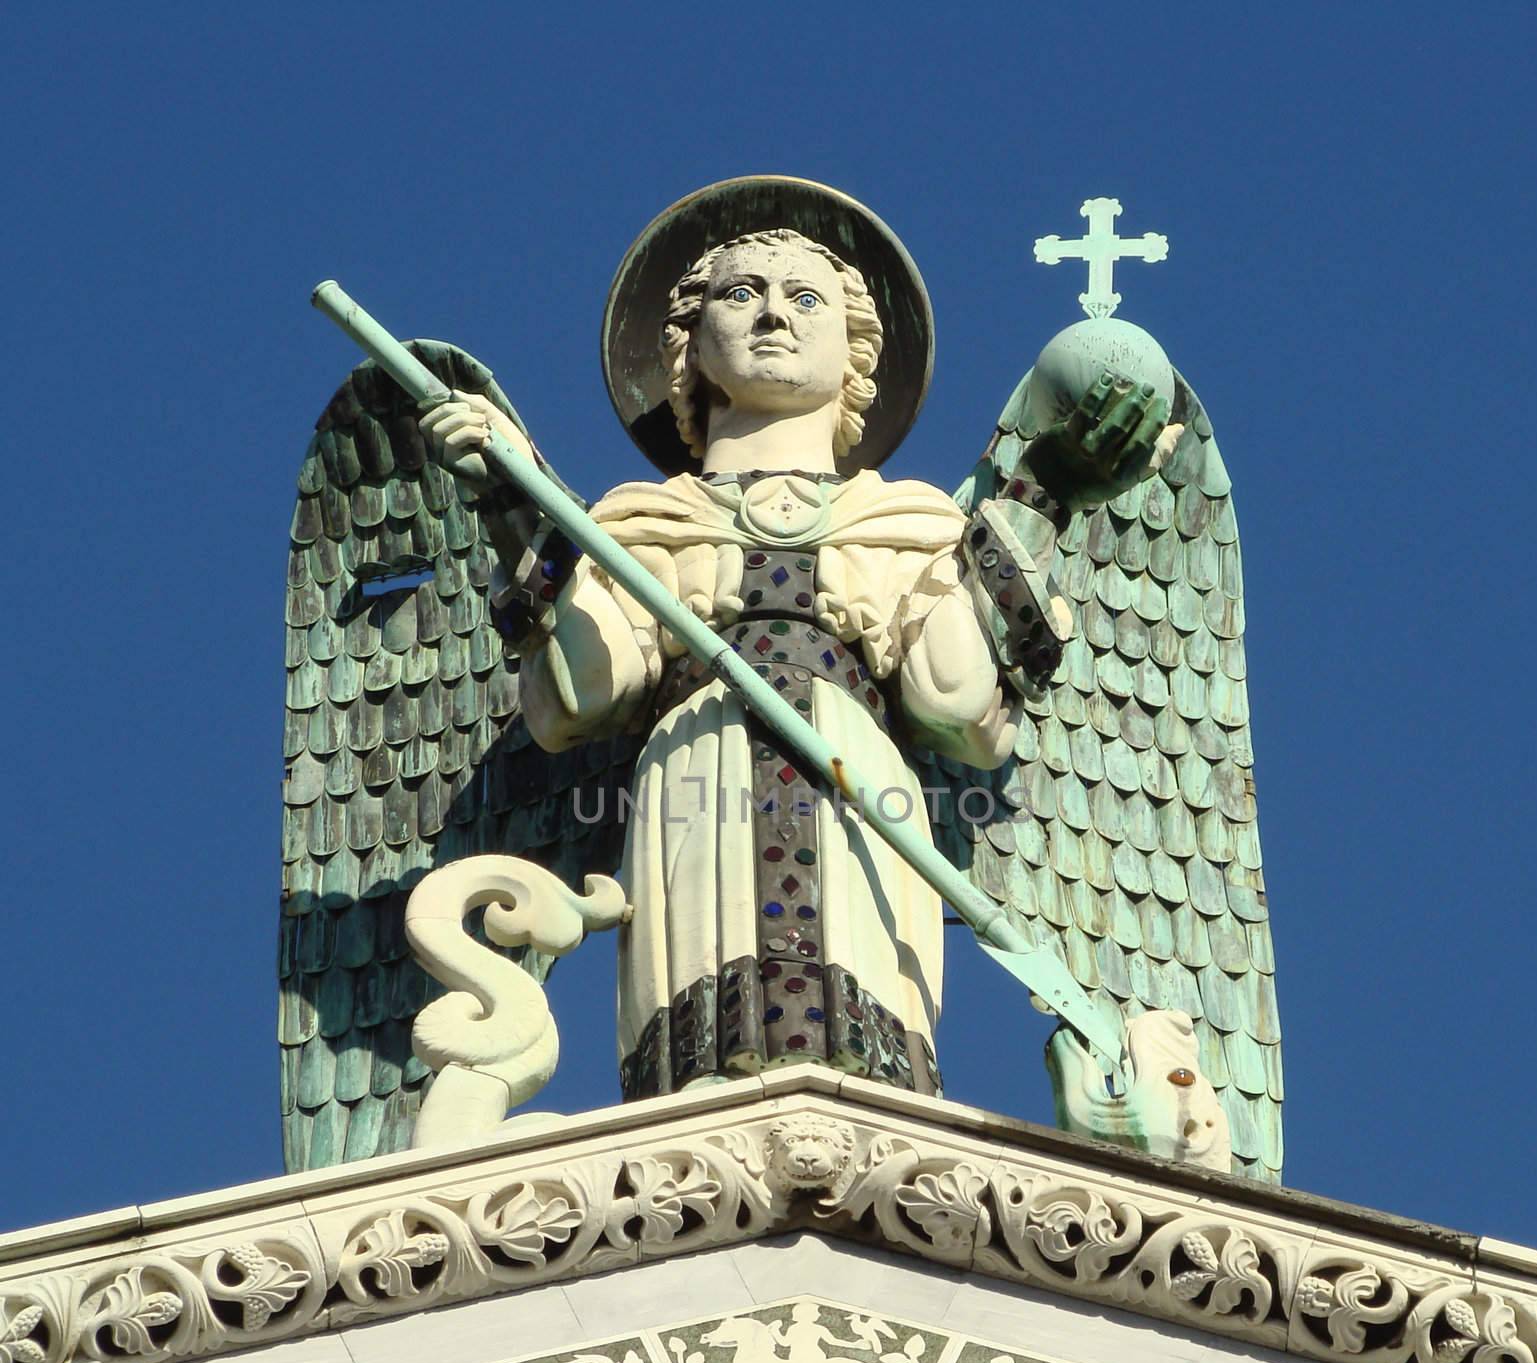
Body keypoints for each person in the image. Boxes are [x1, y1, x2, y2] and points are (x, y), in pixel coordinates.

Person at [421, 182, 1173, 1103]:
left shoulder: (911, 522)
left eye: (805, 297)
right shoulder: (638, 522)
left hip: (860, 778)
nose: (774, 311)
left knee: (864, 1051)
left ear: (856, 353)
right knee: (705, 1045)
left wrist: (1040, 495)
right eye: (741, 294)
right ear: (688, 346)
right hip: (695, 771)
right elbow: (578, 701)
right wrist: (513, 500)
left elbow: (957, 709)